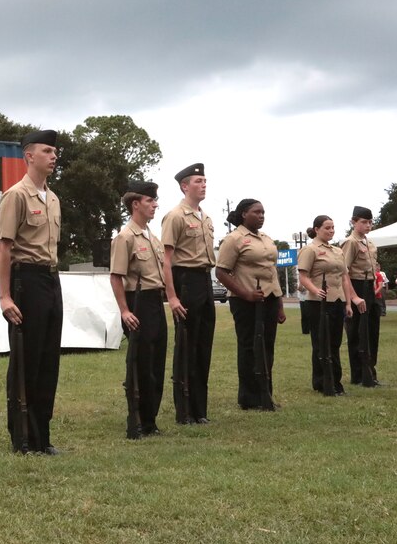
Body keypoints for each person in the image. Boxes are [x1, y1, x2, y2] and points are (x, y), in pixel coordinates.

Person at [0, 130, 63, 454]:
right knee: (27, 360)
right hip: (27, 281)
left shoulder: (53, 198)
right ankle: (22, 437)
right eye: (47, 151)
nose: (53, 156)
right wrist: (5, 295)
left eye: (55, 152)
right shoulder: (17, 195)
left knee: (49, 360)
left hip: (51, 279)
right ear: (29, 156)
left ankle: (42, 436)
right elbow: (4, 247)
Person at [110, 181, 181, 437]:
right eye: (150, 201)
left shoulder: (152, 237)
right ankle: (137, 419)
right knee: (140, 365)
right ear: (135, 204)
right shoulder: (125, 237)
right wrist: (124, 311)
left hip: (154, 302)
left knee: (156, 363)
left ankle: (151, 420)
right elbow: (116, 276)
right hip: (136, 301)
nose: (155, 205)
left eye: (155, 200)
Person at [215, 199, 286, 411]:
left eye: (263, 212)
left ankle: (265, 393)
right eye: (257, 212)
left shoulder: (266, 238)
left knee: (267, 346)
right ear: (244, 214)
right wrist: (245, 294)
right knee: (249, 347)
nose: (262, 216)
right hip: (245, 300)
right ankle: (248, 397)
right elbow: (221, 272)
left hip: (269, 298)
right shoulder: (234, 239)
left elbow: (272, 271)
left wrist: (280, 303)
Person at [160, 163, 214, 425]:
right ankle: (184, 411)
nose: (203, 185)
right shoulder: (175, 216)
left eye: (205, 181)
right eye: (198, 181)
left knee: (203, 346)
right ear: (184, 186)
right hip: (185, 280)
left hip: (204, 279)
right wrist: (172, 297)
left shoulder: (205, 218)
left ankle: (199, 409)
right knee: (186, 346)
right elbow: (166, 260)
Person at [297, 215, 353, 395]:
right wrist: (315, 289)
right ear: (316, 229)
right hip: (318, 303)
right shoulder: (310, 249)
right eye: (327, 228)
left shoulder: (337, 251)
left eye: (333, 227)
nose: (331, 231)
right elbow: (303, 276)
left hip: (337, 300)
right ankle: (322, 381)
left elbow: (344, 277)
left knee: (335, 342)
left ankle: (335, 380)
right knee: (321, 342)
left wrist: (348, 303)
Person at [342, 206, 381, 386]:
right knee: (358, 332)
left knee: (372, 332)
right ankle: (359, 375)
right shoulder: (351, 242)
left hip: (369, 286)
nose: (368, 225)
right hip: (356, 285)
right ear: (353, 222)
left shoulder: (369, 242)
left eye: (370, 222)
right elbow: (344, 272)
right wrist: (354, 297)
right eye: (364, 222)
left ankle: (370, 372)